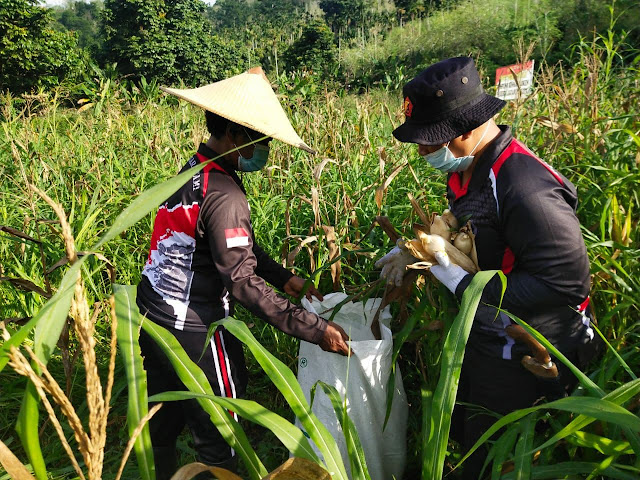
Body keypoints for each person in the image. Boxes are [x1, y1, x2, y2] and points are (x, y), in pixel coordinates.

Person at [376, 57, 597, 479]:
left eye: (430, 140)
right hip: (488, 333)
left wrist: (462, 284)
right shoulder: (470, 170)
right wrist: (416, 251)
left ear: (468, 128)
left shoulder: (523, 186)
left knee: (496, 454)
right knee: (468, 428)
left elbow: (566, 284)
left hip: (530, 347)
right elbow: (477, 227)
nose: (422, 150)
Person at [136, 67, 351, 479]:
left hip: (155, 317)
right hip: (197, 329)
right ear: (235, 135)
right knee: (220, 432)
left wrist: (283, 276)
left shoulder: (195, 169)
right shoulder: (226, 192)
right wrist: (313, 328)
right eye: (261, 140)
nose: (265, 150)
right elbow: (240, 280)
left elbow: (229, 248)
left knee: (161, 418)